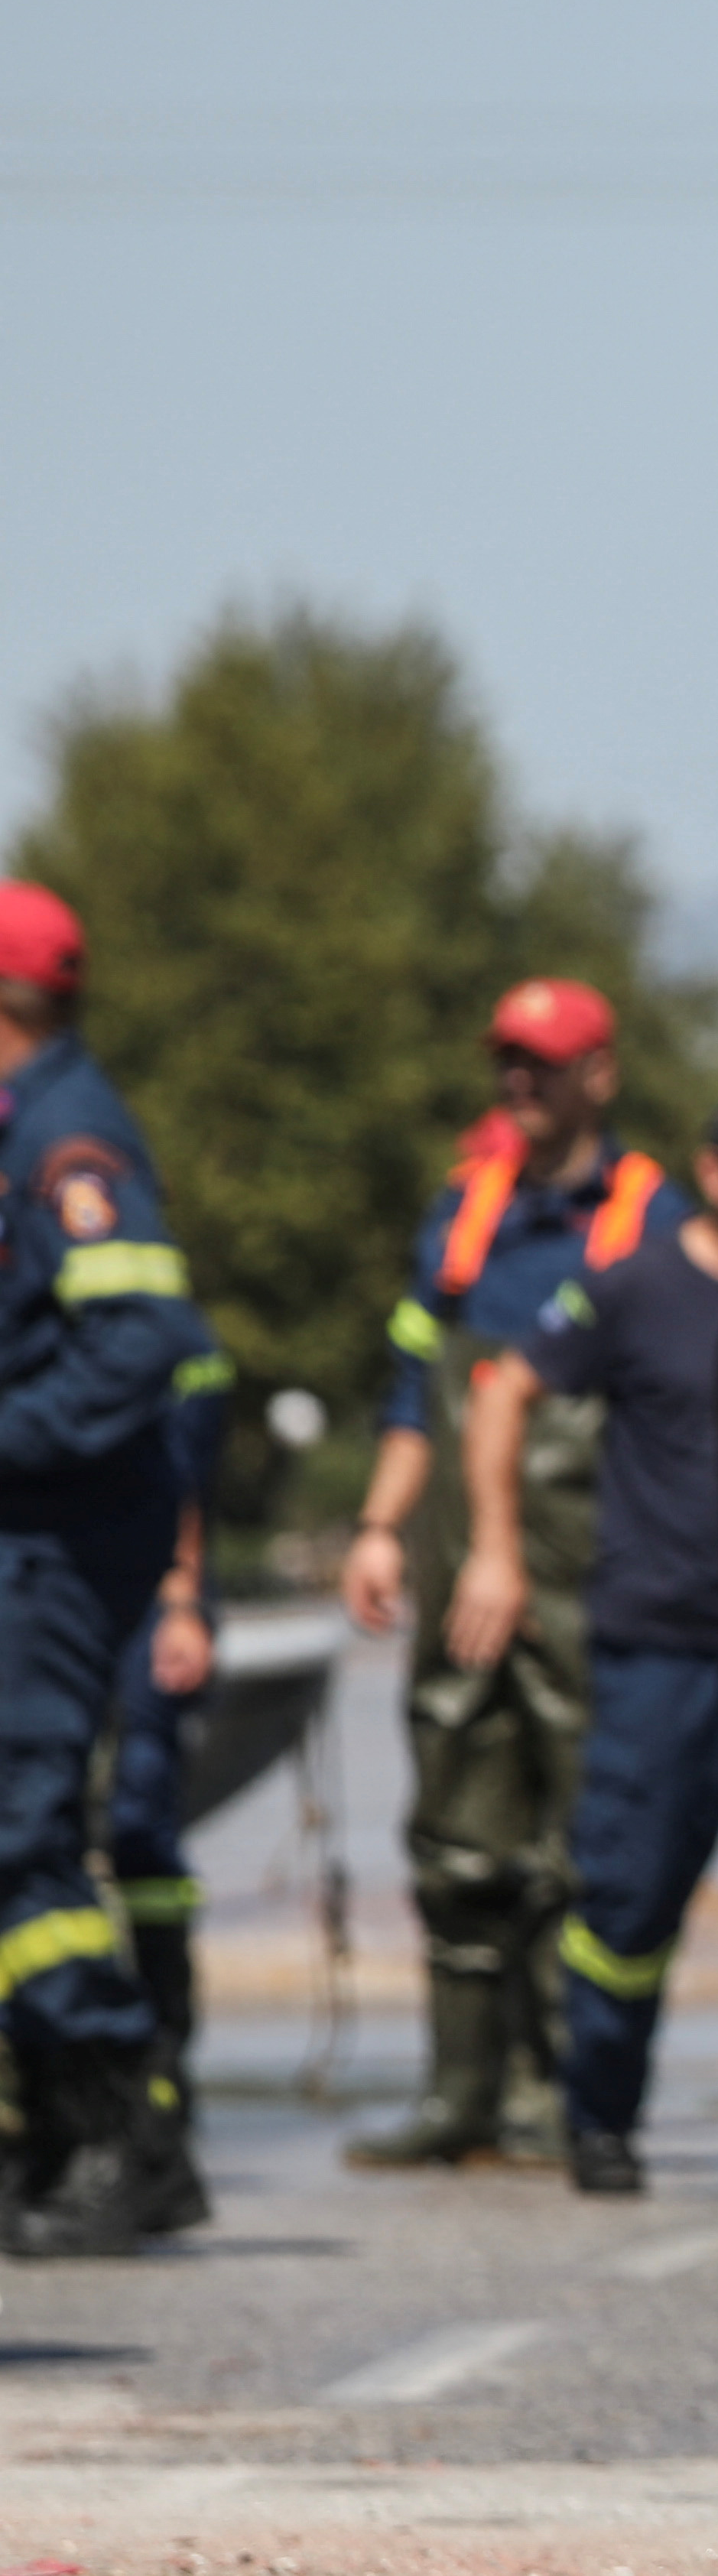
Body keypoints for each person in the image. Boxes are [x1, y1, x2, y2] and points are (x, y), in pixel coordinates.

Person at [337, 983, 671, 2172]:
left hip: (590, 1559)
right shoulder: (463, 1213)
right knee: (457, 1810)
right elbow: (410, 1391)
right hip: (457, 1550)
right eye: (506, 1063)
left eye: (543, 1062)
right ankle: (462, 2092)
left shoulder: (648, 1215)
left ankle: (559, 2090)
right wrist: (379, 1526)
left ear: (600, 1075)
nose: (518, 1083)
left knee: (581, 1818)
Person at [460, 1102, 718, 2195]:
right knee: (630, 1896)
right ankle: (599, 2116)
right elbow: (505, 1391)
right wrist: (496, 1553)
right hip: (662, 1639)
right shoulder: (636, 1288)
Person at [0, 879, 226, 2259]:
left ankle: (130, 2130)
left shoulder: (72, 1140)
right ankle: (73, 2132)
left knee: (17, 1833)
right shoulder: (29, 1126)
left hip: (59, 1535)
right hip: (37, 1523)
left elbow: (143, 1339)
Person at [89, 1336, 237, 2237]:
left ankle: (162, 2067)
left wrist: (181, 1601)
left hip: (142, 1585)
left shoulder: (169, 1336)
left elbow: (180, 1475)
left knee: (141, 1820)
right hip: (51, 1579)